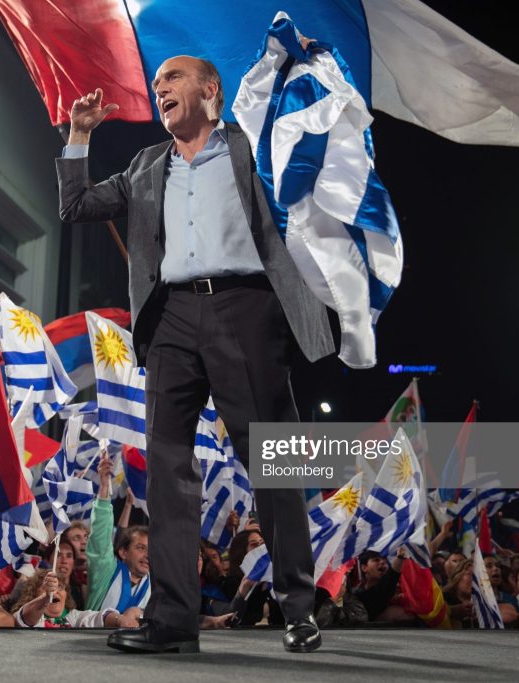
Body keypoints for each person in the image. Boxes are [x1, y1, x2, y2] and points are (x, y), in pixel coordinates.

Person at [57, 51, 333, 655]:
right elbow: (76, 207)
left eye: (172, 79)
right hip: (171, 318)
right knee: (168, 472)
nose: (160, 90)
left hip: (247, 310)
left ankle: (298, 606)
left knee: (272, 461)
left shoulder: (251, 148)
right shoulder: (146, 164)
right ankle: (173, 622)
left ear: (210, 88)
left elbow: (312, 176)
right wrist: (79, 135)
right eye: (156, 84)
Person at [86, 454, 151, 614]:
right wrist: (104, 489)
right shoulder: (106, 570)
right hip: (94, 639)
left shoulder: (155, 585)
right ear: (123, 552)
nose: (148, 555)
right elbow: (100, 537)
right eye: (141, 548)